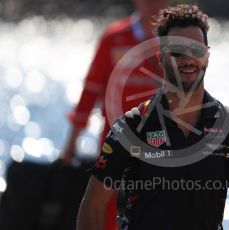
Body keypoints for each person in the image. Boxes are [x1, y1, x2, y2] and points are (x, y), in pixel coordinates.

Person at [77, 4, 229, 230]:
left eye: (196, 50)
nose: (188, 60)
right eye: (177, 52)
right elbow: (92, 207)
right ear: (161, 58)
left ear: (207, 55)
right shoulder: (132, 127)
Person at [61, 0, 169, 229]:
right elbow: (90, 92)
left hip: (162, 147)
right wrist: (70, 146)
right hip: (114, 142)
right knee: (107, 212)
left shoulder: (176, 42)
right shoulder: (113, 38)